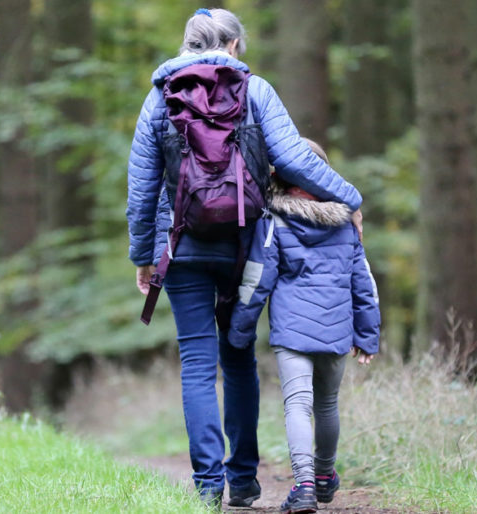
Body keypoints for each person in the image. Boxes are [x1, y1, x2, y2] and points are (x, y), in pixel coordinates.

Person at [126, 8, 364, 508]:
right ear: (233, 45)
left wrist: (143, 256)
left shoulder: (159, 98)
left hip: (183, 246)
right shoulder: (256, 91)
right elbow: (297, 159)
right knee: (238, 358)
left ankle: (208, 486)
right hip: (245, 245)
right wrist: (351, 198)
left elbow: (142, 189)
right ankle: (244, 480)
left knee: (196, 362)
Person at [228, 140, 380, 514]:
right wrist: (368, 334)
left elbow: (257, 279)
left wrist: (239, 330)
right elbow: (364, 283)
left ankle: (306, 485)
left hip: (293, 333)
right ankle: (326, 476)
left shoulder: (274, 220)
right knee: (327, 404)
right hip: (337, 329)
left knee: (298, 405)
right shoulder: (346, 222)